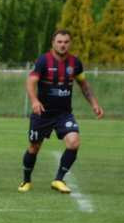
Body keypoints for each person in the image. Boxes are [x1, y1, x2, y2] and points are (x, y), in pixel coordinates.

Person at [19, 29, 103, 194]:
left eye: (66, 42)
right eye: (59, 42)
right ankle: (26, 180)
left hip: (63, 113)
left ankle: (58, 179)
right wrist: (35, 101)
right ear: (53, 43)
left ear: (70, 43)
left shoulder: (75, 63)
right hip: (42, 113)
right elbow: (30, 82)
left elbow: (84, 85)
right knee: (34, 147)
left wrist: (94, 103)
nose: (63, 45)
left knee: (74, 142)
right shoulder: (43, 61)